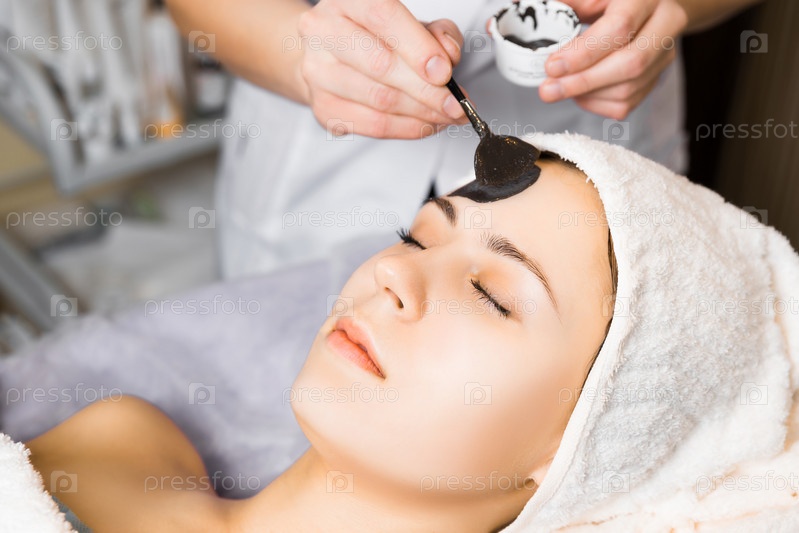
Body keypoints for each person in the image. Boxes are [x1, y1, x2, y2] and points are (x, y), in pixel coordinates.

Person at [27, 152, 618, 532]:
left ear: (583, 445)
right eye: (416, 239)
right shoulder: (118, 441)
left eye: (490, 296)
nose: (392, 271)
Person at [164, 0, 763, 279]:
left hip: (602, 129)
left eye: (495, 303)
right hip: (318, 179)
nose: (401, 286)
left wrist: (676, 7)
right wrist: (300, 58)